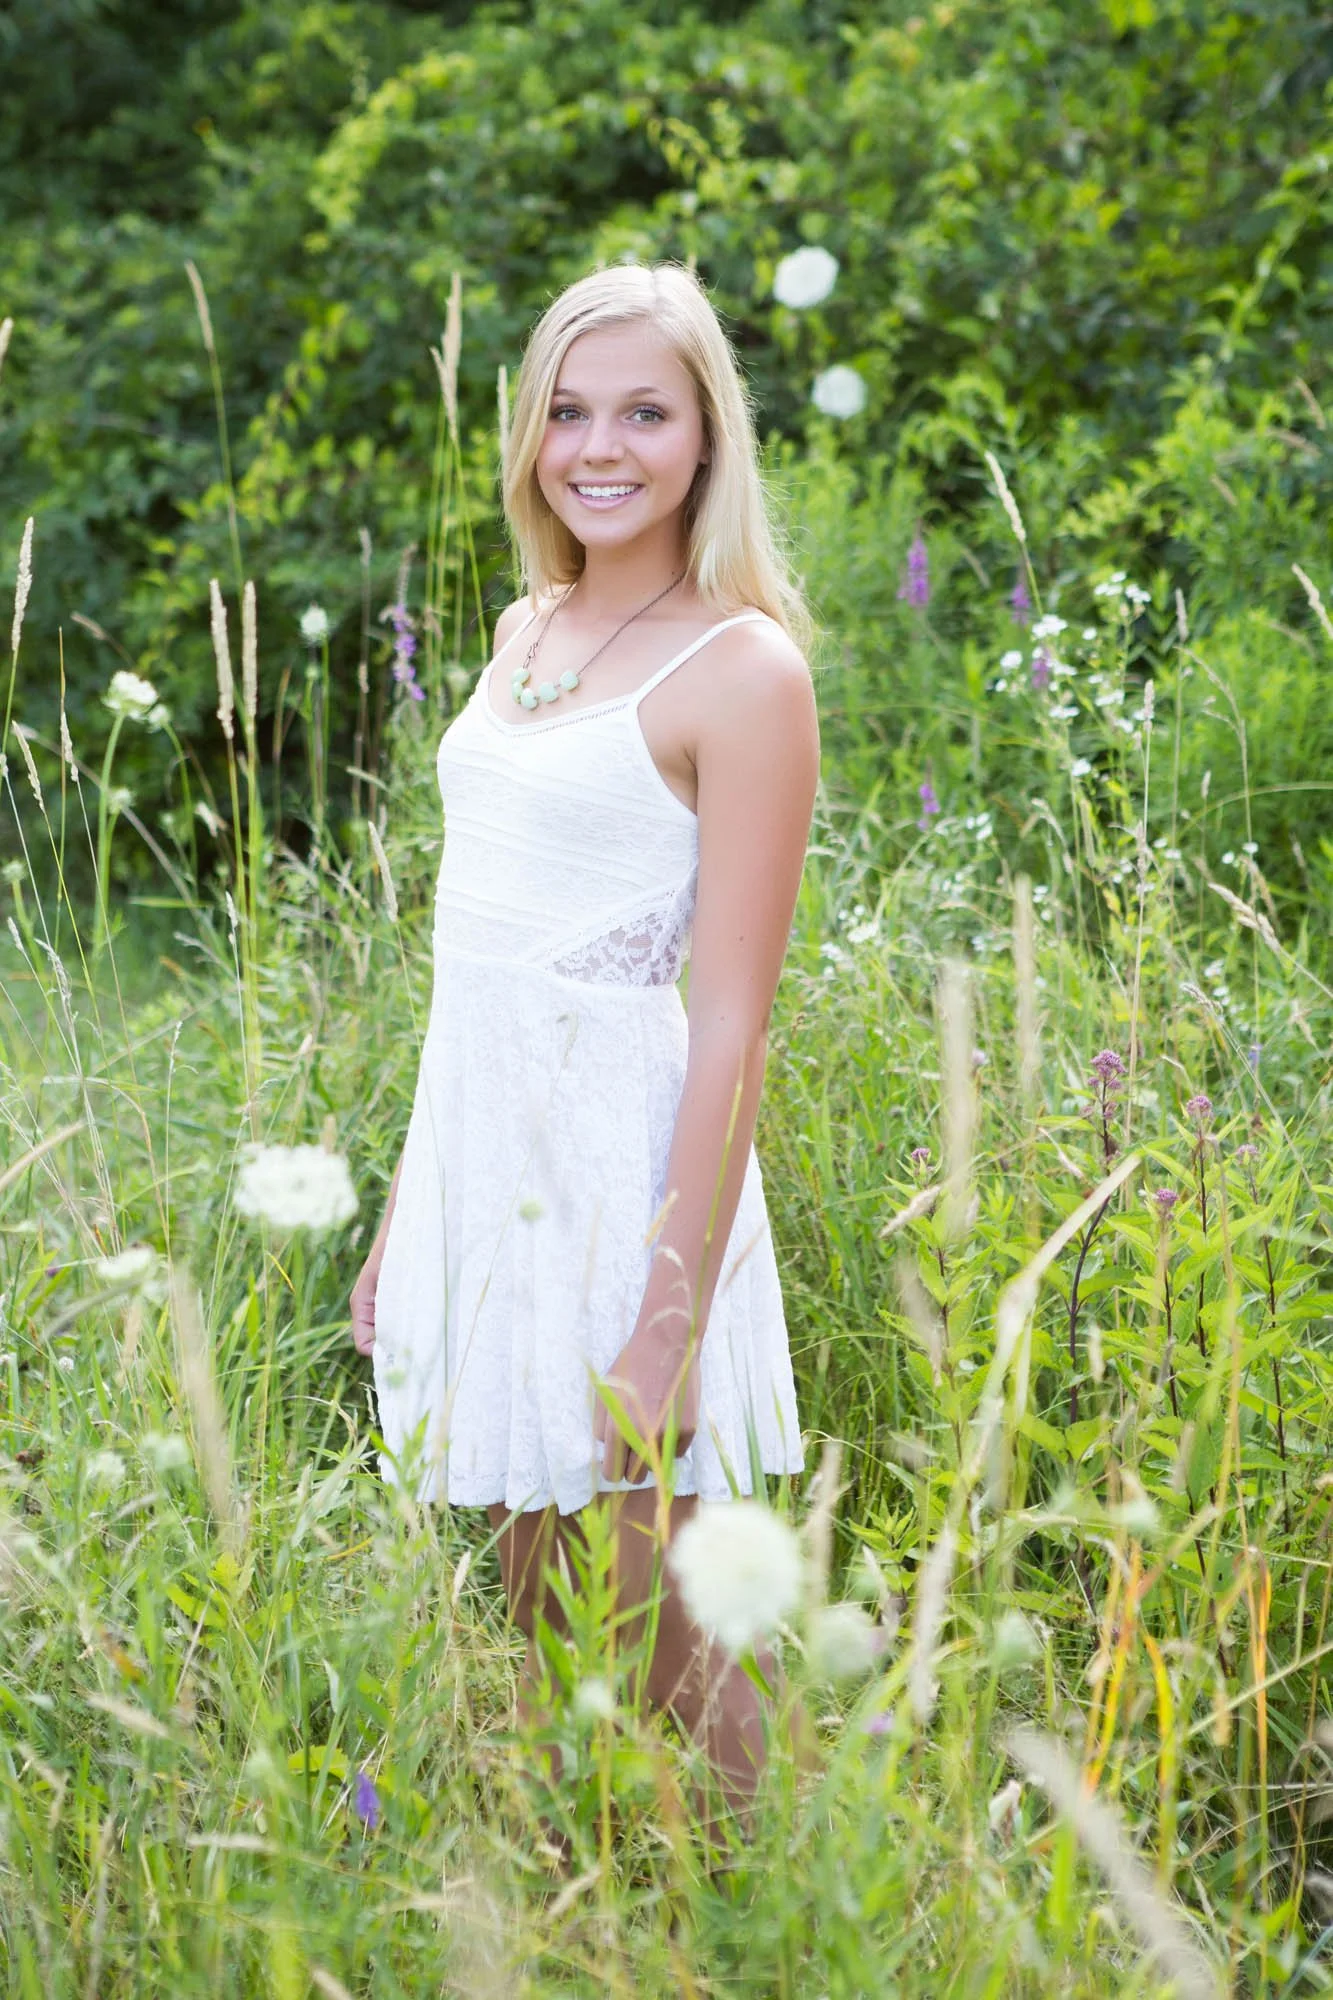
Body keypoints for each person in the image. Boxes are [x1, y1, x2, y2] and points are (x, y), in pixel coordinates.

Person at [349, 261, 820, 1815]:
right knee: (553, 1611)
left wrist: (666, 1319)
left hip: (629, 1196)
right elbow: (471, 972)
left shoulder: (742, 671)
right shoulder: (520, 630)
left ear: (705, 440)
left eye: (643, 411)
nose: (598, 446)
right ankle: (645, 1927)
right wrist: (413, 1217)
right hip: (492, 1177)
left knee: (675, 1629)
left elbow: (734, 1017)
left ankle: (832, 1917)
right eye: (567, 409)